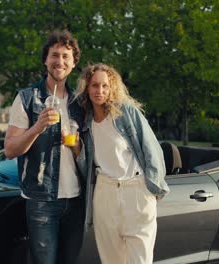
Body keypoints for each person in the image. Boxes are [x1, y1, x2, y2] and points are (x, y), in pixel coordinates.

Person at [3, 29, 85, 264]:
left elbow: (86, 154)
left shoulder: (80, 102)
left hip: (76, 199)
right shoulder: (27, 98)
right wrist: (37, 127)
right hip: (41, 201)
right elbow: (10, 150)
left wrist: (76, 146)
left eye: (65, 56)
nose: (60, 61)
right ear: (45, 60)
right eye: (55, 55)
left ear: (73, 63)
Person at [75, 63, 169, 264]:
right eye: (94, 85)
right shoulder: (86, 122)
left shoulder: (126, 113)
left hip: (136, 191)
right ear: (86, 88)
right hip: (104, 193)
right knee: (111, 260)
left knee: (140, 260)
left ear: (112, 88)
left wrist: (152, 189)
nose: (99, 91)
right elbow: (87, 166)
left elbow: (152, 150)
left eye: (105, 86)